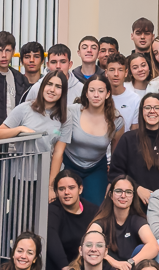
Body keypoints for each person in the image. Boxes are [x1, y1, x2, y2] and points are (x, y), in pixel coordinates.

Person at [51, 73, 119, 213]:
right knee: (64, 205)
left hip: (96, 168)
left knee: (95, 209)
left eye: (101, 91)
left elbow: (116, 156)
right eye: (92, 90)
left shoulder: (116, 120)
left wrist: (112, 182)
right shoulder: (72, 112)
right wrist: (51, 185)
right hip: (69, 163)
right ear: (86, 93)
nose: (96, 95)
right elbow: (59, 149)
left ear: (107, 94)